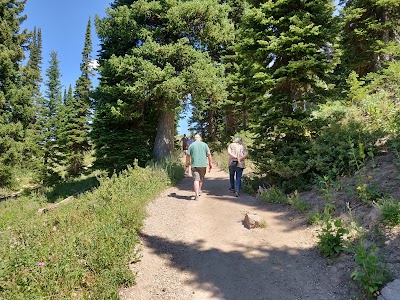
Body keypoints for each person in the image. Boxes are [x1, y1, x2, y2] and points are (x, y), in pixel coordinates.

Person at [186, 134, 213, 200]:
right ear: (200, 138)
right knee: (201, 178)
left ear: (194, 139)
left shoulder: (191, 145)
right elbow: (209, 154)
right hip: (203, 165)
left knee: (196, 179)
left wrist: (187, 163)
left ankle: (197, 195)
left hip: (194, 165)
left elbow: (188, 155)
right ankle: (199, 189)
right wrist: (210, 164)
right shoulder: (204, 145)